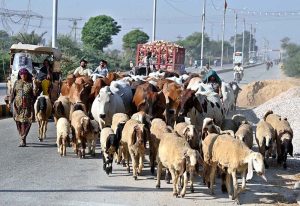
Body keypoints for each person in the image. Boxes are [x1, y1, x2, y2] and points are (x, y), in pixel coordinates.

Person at [10, 68, 35, 147]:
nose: (23, 76)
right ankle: (22, 136)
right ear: (19, 75)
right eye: (21, 74)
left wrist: (34, 84)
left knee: (26, 123)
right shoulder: (16, 83)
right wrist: (10, 102)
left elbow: (34, 95)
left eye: (25, 74)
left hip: (27, 107)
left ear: (27, 75)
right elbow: (13, 93)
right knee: (18, 122)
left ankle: (23, 139)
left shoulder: (30, 84)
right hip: (18, 107)